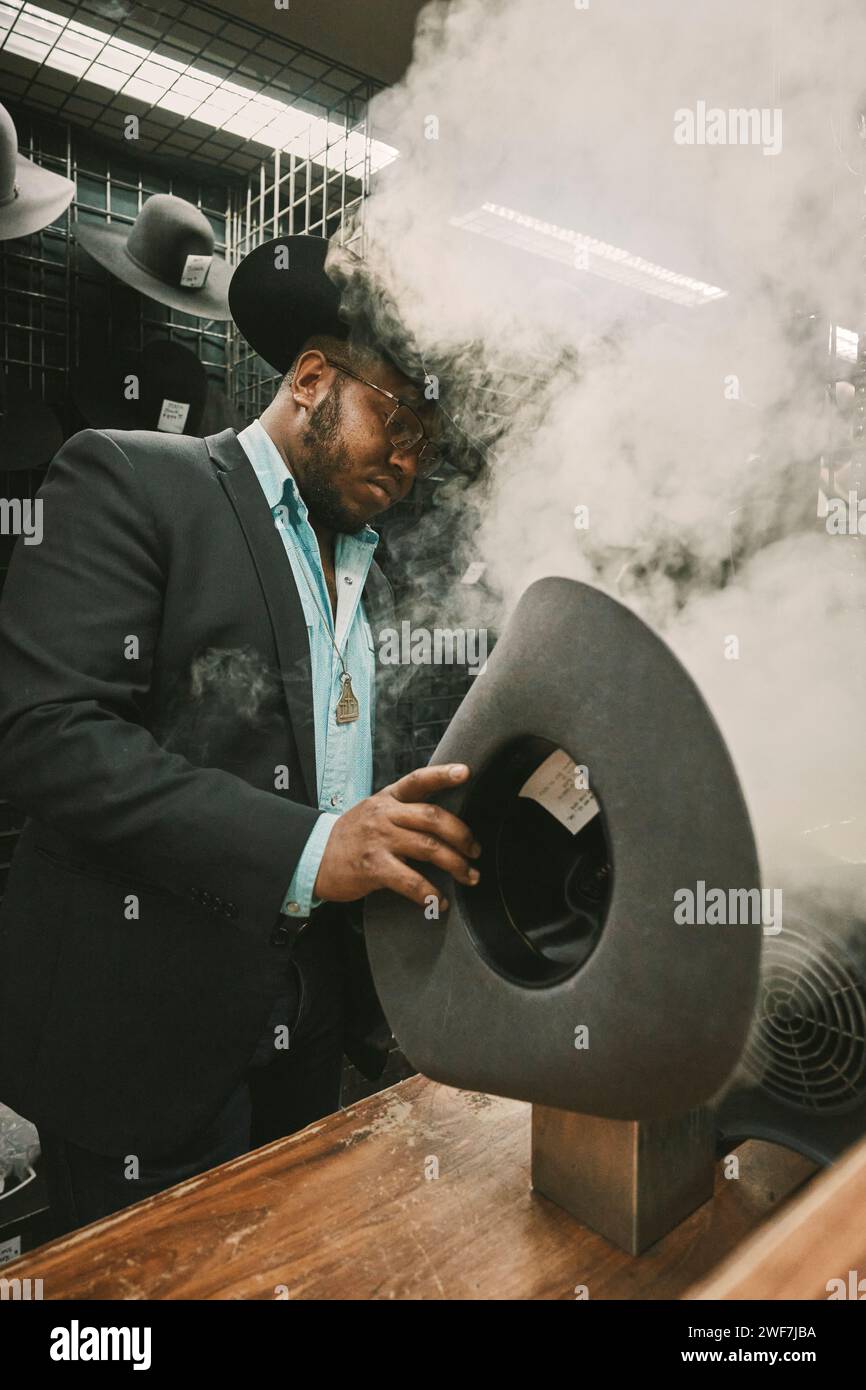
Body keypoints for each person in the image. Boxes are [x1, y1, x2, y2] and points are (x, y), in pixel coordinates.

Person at [0, 236, 480, 1237]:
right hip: (139, 1032)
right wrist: (310, 848)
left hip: (310, 1022)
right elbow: (49, 735)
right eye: (396, 421)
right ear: (311, 380)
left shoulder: (380, 568)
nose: (408, 459)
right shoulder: (130, 477)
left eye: (426, 442)